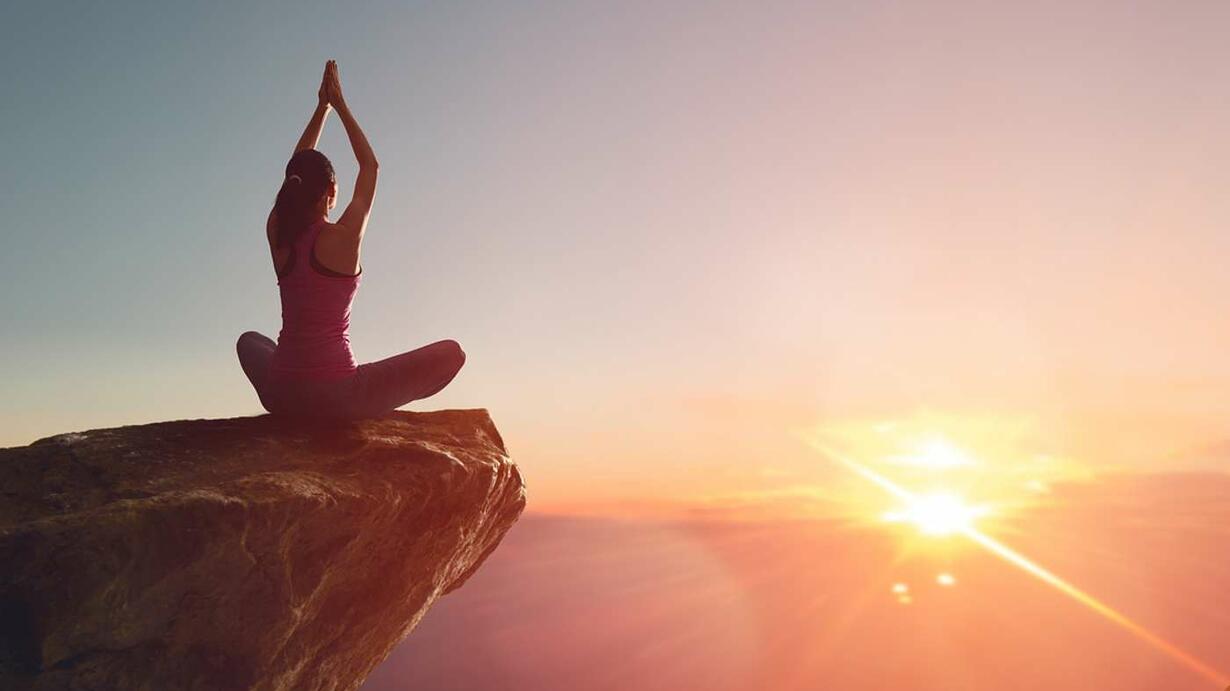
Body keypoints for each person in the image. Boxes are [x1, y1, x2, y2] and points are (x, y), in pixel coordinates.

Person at [236, 60, 465, 420]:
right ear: (330, 191)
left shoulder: (277, 231)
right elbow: (370, 167)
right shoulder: (341, 238)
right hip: (338, 399)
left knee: (249, 341)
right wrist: (339, 104)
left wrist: (321, 109)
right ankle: (361, 404)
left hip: (282, 393)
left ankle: (303, 395)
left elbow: (297, 167)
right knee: (452, 353)